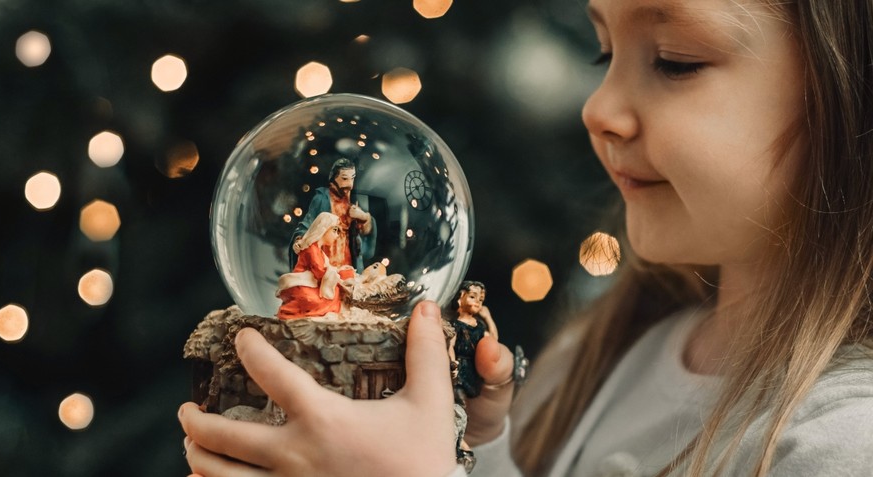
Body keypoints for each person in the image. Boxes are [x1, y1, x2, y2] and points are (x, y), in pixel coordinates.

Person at [179, 1, 873, 476]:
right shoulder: (600, 358)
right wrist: (480, 453)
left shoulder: (846, 440)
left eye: (674, 59)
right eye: (604, 51)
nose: (598, 107)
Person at [290, 158, 376, 272]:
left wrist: (364, 217)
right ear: (334, 178)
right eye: (344, 178)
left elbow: (365, 231)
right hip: (326, 252)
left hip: (346, 255)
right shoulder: (322, 199)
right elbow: (308, 223)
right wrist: (300, 239)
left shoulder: (353, 201)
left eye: (352, 178)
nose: (350, 184)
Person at [276, 212, 352, 320]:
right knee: (319, 298)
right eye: (334, 230)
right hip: (301, 284)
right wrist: (337, 275)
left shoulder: (319, 251)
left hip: (312, 284)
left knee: (335, 293)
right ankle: (295, 311)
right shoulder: (311, 249)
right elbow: (319, 272)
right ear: (323, 228)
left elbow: (325, 269)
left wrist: (338, 271)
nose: (337, 235)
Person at [448, 280, 498, 401]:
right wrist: (453, 364)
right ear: (460, 297)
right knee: (458, 396)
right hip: (459, 366)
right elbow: (450, 345)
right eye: (472, 297)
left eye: (480, 300)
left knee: (471, 396)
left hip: (473, 368)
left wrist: (488, 318)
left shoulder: (480, 325)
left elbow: (493, 340)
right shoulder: (455, 324)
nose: (477, 302)